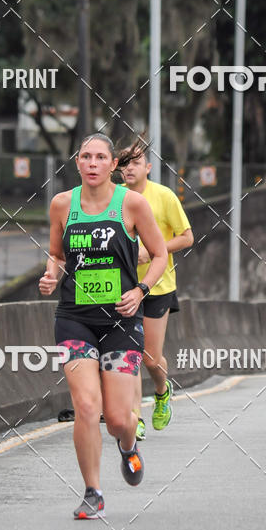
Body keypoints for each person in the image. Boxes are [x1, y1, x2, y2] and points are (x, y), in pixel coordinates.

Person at [39, 134, 168, 519]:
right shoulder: (62, 204)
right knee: (85, 405)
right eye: (86, 156)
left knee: (117, 419)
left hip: (121, 322)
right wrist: (51, 275)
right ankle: (92, 492)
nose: (92, 163)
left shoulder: (132, 203)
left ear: (113, 165)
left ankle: (128, 446)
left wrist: (141, 291)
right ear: (77, 162)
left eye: (100, 157)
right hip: (74, 318)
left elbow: (160, 254)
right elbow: (56, 254)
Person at [120, 140, 194, 440]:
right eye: (123, 163)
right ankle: (134, 418)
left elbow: (187, 237)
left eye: (135, 163)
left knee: (150, 358)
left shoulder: (164, 196)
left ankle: (162, 391)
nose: (128, 168)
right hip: (121, 287)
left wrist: (152, 250)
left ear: (148, 167)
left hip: (158, 286)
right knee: (130, 354)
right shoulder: (113, 198)